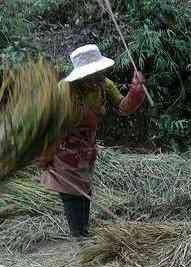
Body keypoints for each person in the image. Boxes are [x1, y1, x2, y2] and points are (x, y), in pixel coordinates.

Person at [38, 44, 146, 238]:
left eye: (100, 72)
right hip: (63, 151)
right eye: (93, 73)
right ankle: (79, 236)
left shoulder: (103, 85)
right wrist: (45, 156)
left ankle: (83, 231)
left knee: (84, 189)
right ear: (81, 75)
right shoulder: (65, 91)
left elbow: (123, 108)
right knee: (72, 193)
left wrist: (136, 92)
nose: (98, 77)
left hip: (86, 151)